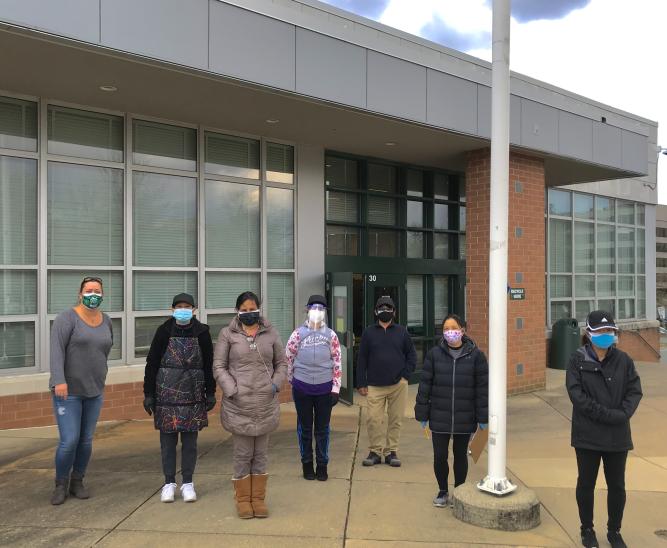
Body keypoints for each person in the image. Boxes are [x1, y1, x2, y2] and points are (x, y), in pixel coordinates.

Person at [566, 310, 642, 548]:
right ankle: (587, 529)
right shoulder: (577, 361)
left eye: (609, 331)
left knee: (617, 486)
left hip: (617, 436)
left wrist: (623, 414)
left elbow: (634, 391)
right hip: (587, 435)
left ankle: (614, 531)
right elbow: (577, 396)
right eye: (600, 331)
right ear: (588, 334)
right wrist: (608, 415)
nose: (606, 335)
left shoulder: (624, 361)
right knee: (586, 484)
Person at [213, 291, 287, 519]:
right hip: (239, 405)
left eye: (252, 308)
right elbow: (219, 366)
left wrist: (275, 385)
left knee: (261, 454)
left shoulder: (271, 333)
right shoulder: (228, 334)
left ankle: (258, 499)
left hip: (265, 403)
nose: (248, 313)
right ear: (237, 311)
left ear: (259, 308)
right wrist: (232, 389)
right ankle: (243, 500)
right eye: (244, 309)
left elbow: (281, 363)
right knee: (243, 454)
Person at [142, 293, 216, 504]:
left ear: (194, 309)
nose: (183, 309)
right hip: (166, 395)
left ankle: (188, 482)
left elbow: (208, 364)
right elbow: (152, 363)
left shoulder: (202, 332)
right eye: (179, 306)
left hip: (193, 395)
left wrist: (210, 392)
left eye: (187, 306)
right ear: (172, 309)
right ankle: (168, 483)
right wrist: (148, 394)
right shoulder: (163, 331)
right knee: (167, 443)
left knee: (190, 443)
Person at [49, 276, 113, 505]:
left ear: (103, 294)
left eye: (97, 290)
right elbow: (56, 351)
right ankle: (60, 483)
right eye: (88, 290)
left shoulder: (106, 320)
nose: (93, 294)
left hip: (94, 390)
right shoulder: (67, 318)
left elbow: (105, 349)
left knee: (85, 440)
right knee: (70, 440)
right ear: (80, 293)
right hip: (68, 391)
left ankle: (78, 481)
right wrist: (59, 380)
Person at [414, 314, 488, 507]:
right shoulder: (434, 354)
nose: (449, 332)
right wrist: (422, 413)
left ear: (463, 330)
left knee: (460, 455)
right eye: (446, 329)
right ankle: (443, 490)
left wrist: (482, 416)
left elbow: (482, 389)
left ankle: (460, 490)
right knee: (439, 456)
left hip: (465, 414)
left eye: (453, 328)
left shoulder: (476, 356)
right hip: (439, 414)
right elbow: (425, 385)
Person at [285, 294, 342, 481]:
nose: (317, 312)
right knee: (305, 428)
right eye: (313, 308)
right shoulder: (298, 334)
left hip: (325, 390)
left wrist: (336, 388)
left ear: (325, 312)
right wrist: (293, 381)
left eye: (321, 308)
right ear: (307, 310)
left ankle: (323, 464)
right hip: (302, 388)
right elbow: (288, 358)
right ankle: (307, 464)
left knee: (323, 429)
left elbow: (337, 362)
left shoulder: (331, 335)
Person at [357, 295, 416, 467]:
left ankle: (391, 452)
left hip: (398, 385)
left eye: (388, 308)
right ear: (376, 311)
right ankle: (375, 452)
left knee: (395, 419)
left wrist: (406, 376)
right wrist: (361, 382)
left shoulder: (402, 332)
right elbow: (362, 358)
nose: (385, 311)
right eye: (381, 308)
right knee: (373, 419)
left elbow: (411, 355)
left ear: (394, 312)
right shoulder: (368, 332)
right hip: (374, 385)